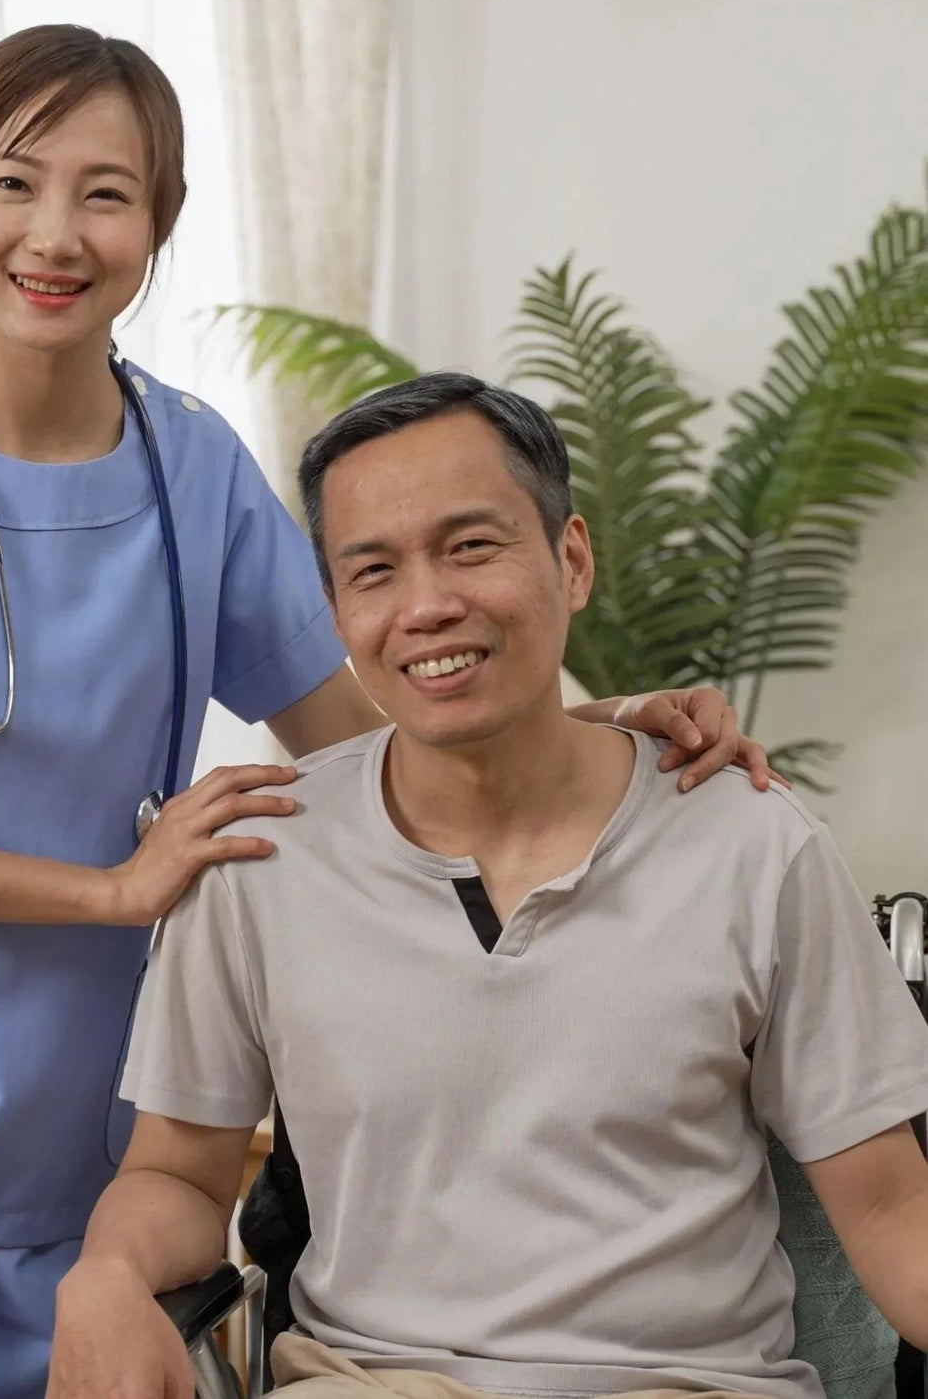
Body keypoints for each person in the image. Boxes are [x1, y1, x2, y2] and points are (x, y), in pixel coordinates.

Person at [0, 25, 774, 1399]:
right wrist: (110, 893)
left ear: (162, 223)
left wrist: (608, 725)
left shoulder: (188, 463)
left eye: (108, 193)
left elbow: (363, 723)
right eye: (15, 184)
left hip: (64, 1136)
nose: (56, 234)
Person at [46, 373, 928, 1399]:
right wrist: (105, 1275)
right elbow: (179, 1174)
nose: (427, 605)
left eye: (471, 546)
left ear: (572, 558)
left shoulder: (751, 843)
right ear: (334, 610)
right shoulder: (260, 859)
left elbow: (889, 1210)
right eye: (372, 570)